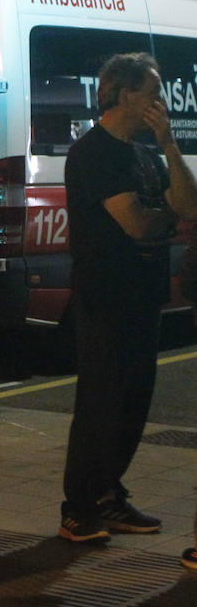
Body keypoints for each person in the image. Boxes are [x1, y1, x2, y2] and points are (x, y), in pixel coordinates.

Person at [58, 52, 197, 543]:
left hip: (144, 294)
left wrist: (169, 145)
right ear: (124, 93)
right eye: (154, 91)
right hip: (106, 294)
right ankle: (78, 507)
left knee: (134, 403)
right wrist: (168, 217)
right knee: (101, 403)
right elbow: (138, 224)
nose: (162, 101)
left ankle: (108, 495)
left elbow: (189, 203)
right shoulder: (94, 152)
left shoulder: (145, 152)